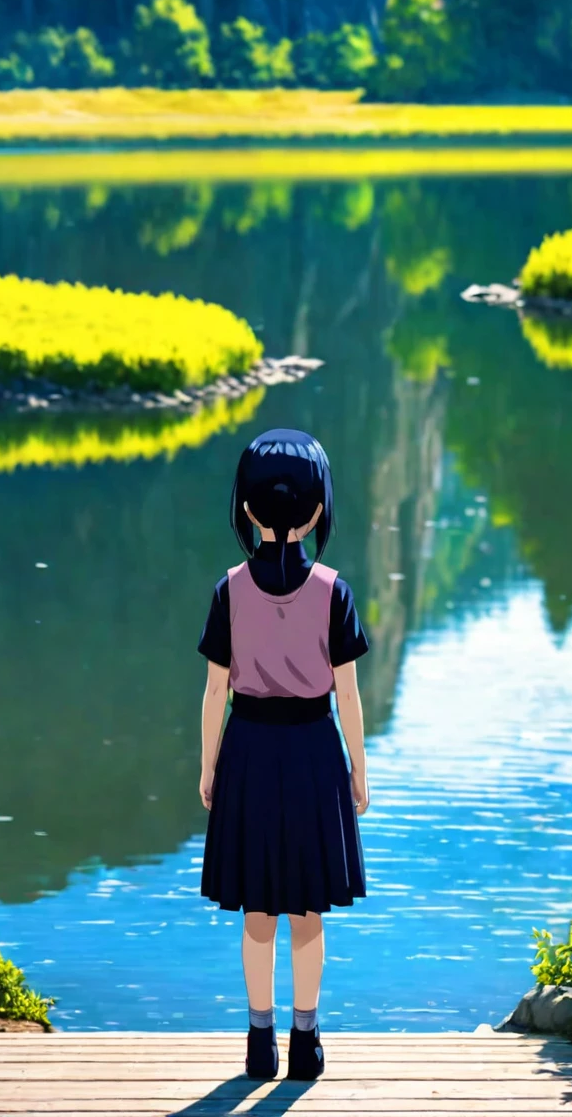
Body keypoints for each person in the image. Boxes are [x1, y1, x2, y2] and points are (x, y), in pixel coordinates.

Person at [197, 427, 370, 1082]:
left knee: (257, 909)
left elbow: (216, 688)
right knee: (307, 909)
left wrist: (208, 764)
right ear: (317, 508)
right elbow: (347, 693)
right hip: (312, 752)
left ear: (245, 508)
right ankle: (307, 1041)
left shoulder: (229, 589)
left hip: (247, 748)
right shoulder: (333, 590)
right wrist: (360, 766)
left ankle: (258, 1040)